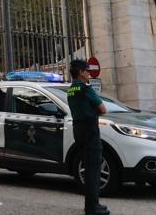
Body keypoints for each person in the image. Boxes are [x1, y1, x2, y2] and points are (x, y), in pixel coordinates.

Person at [67, 59, 109, 215]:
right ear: (80, 72)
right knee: (93, 169)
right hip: (90, 131)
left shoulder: (71, 89)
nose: (89, 73)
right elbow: (103, 109)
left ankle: (91, 205)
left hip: (78, 130)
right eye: (87, 70)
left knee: (88, 167)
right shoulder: (85, 89)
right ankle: (93, 207)